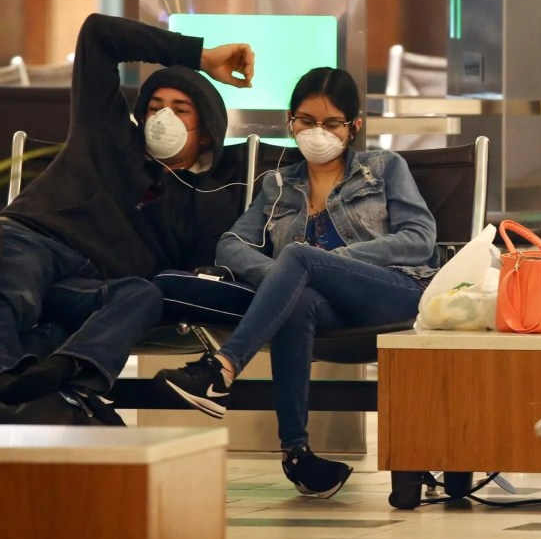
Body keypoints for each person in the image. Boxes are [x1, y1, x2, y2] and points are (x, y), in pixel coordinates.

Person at [155, 67, 438, 498]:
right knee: (297, 297)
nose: (317, 132)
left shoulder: (383, 168)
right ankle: (298, 455)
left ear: (353, 126)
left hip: (395, 292)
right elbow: (230, 244)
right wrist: (284, 278)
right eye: (306, 121)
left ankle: (222, 368)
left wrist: (326, 261)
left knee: (300, 258)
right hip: (323, 304)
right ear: (291, 122)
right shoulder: (278, 184)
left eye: (331, 123)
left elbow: (420, 239)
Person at [0, 13, 254, 420]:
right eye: (154, 106)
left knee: (142, 295)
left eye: (181, 110)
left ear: (205, 132)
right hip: (37, 238)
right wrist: (200, 56)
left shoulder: (207, 199)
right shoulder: (105, 132)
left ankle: (73, 377)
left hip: (93, 285)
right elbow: (98, 34)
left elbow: (195, 276)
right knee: (5, 286)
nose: (162, 118)